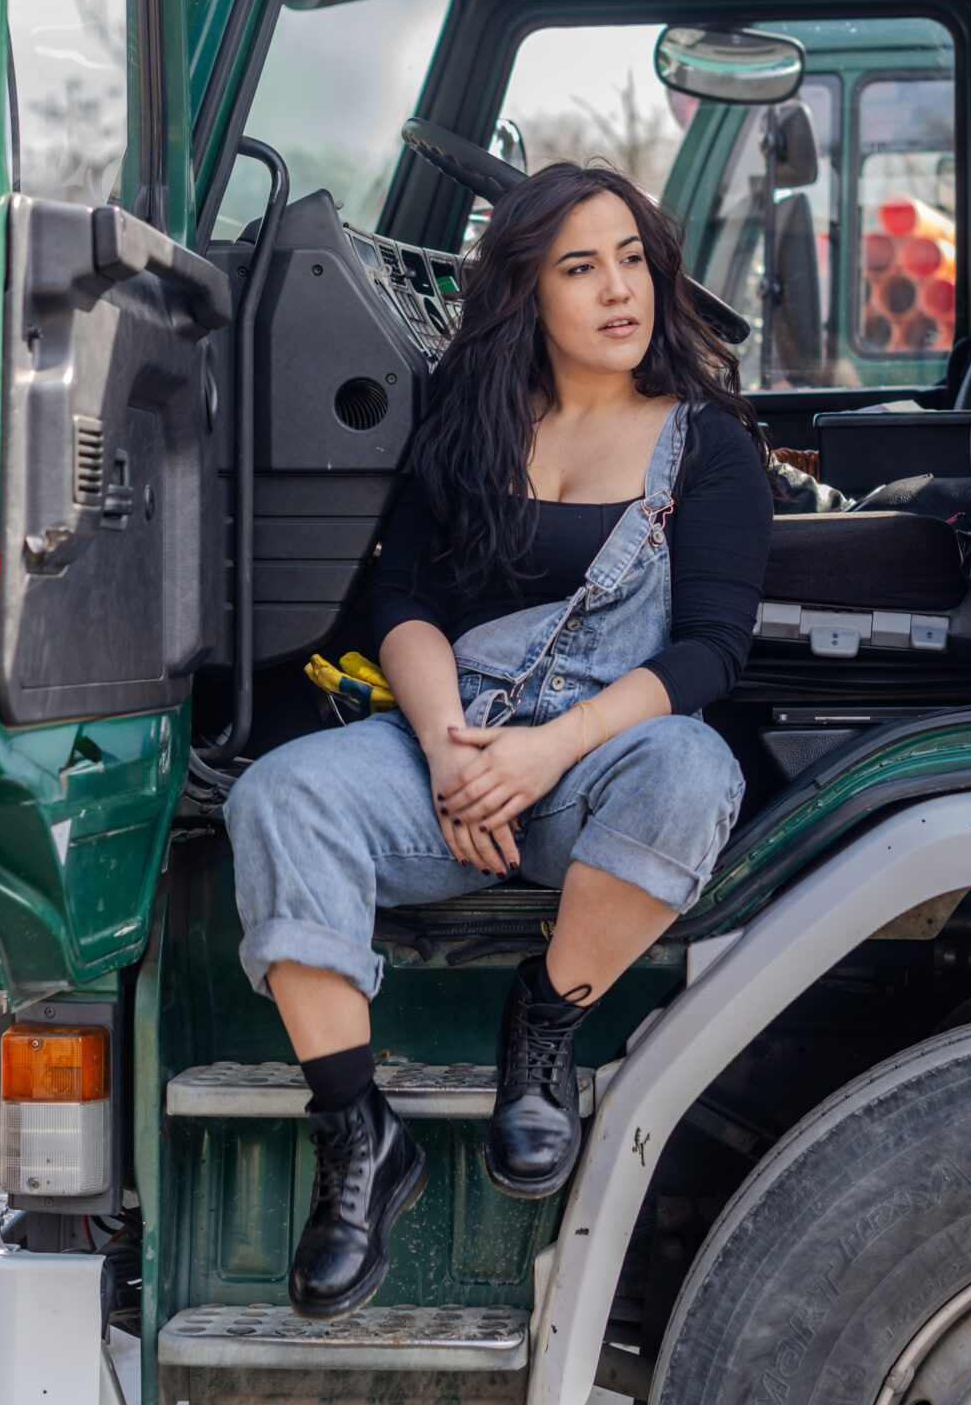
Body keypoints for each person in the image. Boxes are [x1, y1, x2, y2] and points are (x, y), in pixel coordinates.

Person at [226, 163, 774, 1317]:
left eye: (631, 259)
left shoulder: (708, 445)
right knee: (277, 793)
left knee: (695, 770)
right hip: (454, 742)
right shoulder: (469, 422)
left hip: (598, 766)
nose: (618, 290)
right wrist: (448, 751)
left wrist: (546, 752)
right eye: (580, 268)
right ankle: (360, 1135)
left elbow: (709, 654)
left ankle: (546, 1023)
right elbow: (406, 605)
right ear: (527, 292)